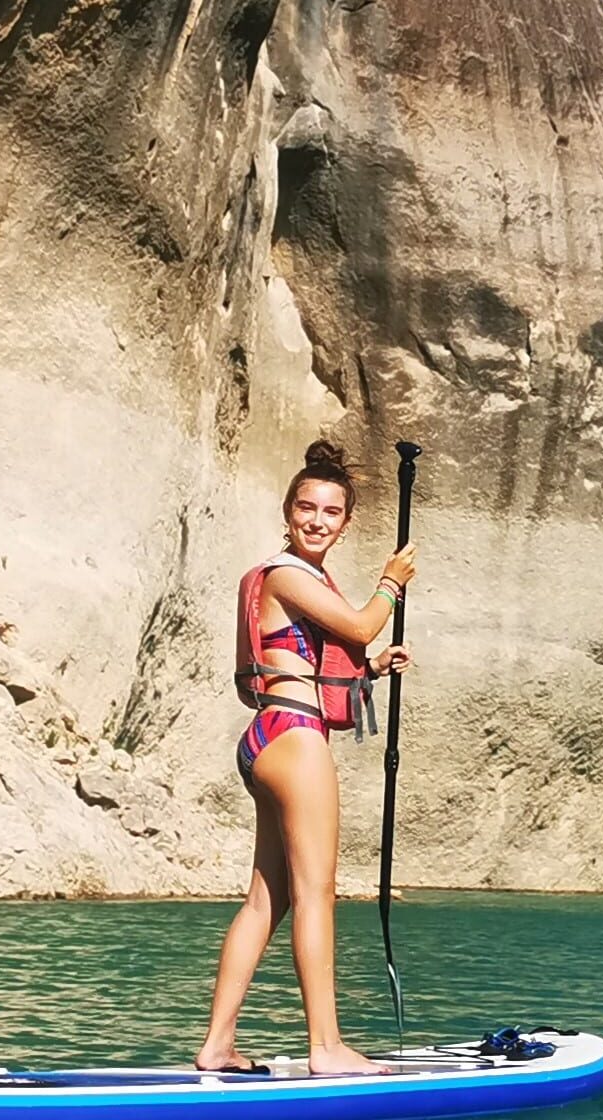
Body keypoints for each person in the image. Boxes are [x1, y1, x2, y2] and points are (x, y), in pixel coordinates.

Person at [195, 439, 418, 1075]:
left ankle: (217, 1045)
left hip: (271, 733)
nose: (317, 520)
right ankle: (327, 1048)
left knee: (269, 900)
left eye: (331, 511)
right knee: (317, 893)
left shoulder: (299, 578)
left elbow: (313, 659)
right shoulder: (288, 572)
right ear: (288, 511)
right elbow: (360, 623)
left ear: (344, 521)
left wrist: (370, 670)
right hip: (294, 738)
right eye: (306, 507)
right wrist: (391, 584)